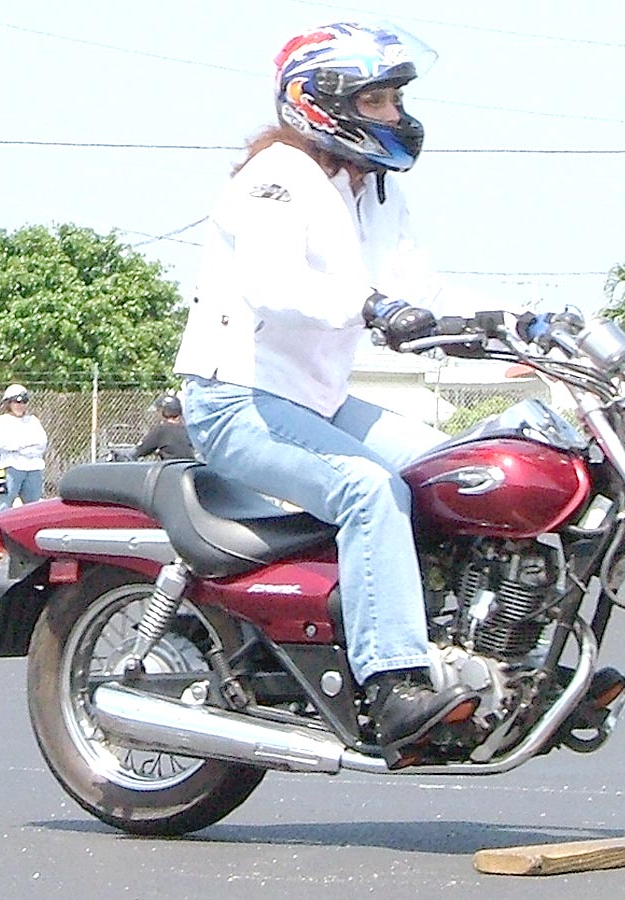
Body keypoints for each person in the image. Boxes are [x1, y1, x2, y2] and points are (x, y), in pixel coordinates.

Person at [174, 21, 480, 764]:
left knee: (457, 469)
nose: (395, 115)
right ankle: (393, 682)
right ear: (323, 102)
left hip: (314, 402)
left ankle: (466, 646)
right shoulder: (277, 177)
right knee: (370, 490)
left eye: (395, 99)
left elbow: (419, 290)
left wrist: (514, 323)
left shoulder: (372, 189)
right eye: (376, 100)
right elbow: (276, 286)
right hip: (237, 399)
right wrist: (371, 307)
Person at [0, 383, 48, 513]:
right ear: (8, 403)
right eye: (16, 402)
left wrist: (18, 447)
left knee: (33, 508)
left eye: (23, 402)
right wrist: (26, 444)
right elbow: (1, 444)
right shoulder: (1, 421)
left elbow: (41, 443)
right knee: (4, 505)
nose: (20, 405)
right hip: (9, 468)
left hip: (33, 469)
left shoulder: (33, 421)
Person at [127, 394, 196, 461]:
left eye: (158, 410)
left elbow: (139, 451)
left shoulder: (162, 429)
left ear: (164, 412)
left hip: (172, 467)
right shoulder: (186, 429)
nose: (157, 413)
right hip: (191, 466)